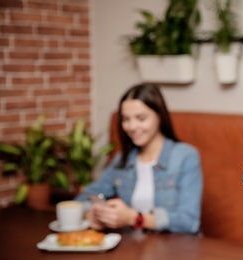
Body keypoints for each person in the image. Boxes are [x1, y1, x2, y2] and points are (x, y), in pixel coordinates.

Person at [75, 83, 203, 234]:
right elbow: (83, 199)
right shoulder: (122, 159)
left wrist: (133, 218)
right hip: (135, 247)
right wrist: (92, 214)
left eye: (141, 118)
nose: (132, 126)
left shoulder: (186, 157)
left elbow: (189, 222)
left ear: (160, 116)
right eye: (125, 119)